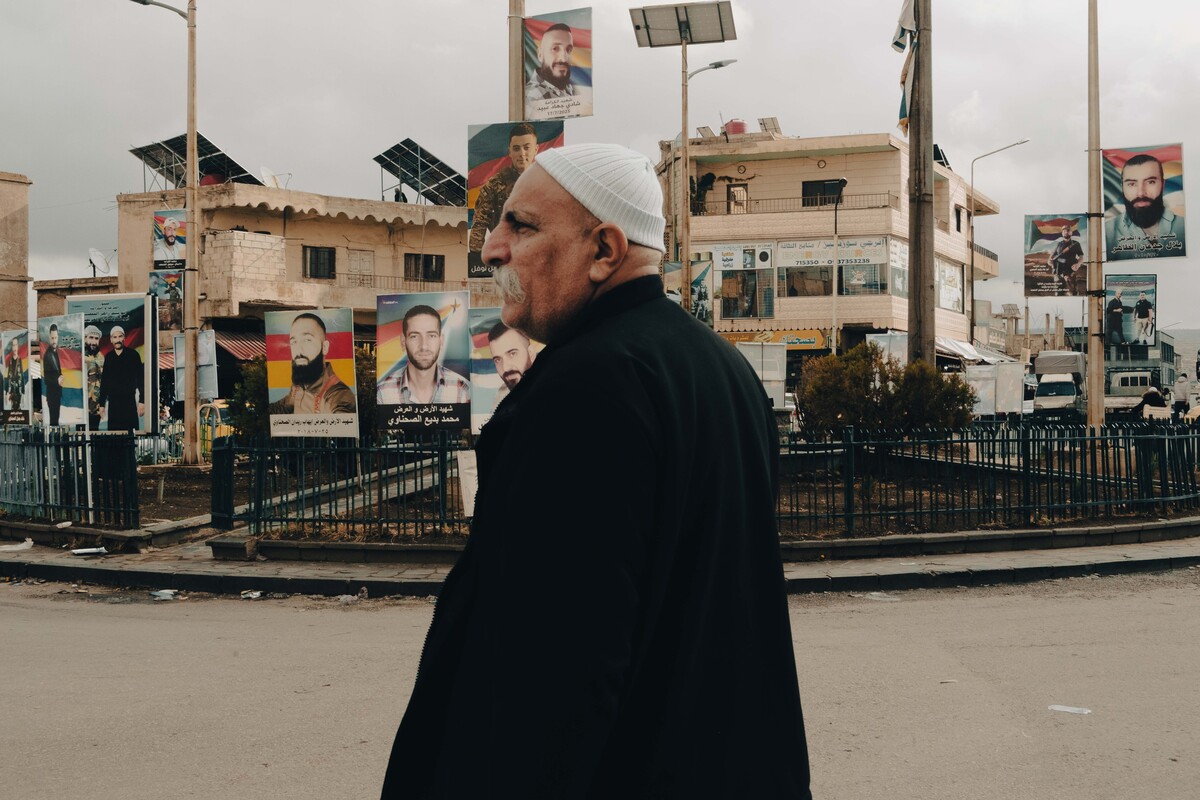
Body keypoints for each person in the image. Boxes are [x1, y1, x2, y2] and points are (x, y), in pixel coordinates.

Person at [381, 144, 811, 798]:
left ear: (605, 250)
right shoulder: (721, 368)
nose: (493, 249)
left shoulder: (588, 386)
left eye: (520, 227)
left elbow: (553, 679)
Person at [469, 123, 541, 254]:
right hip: (506, 254)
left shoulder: (547, 184)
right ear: (510, 152)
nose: (522, 153)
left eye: (526, 148)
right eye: (516, 148)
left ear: (536, 149)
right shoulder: (494, 186)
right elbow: (478, 227)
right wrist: (478, 265)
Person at [377, 305, 470, 405]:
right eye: (414, 336)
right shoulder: (382, 393)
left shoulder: (463, 389)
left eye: (431, 336)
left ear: (441, 341)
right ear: (403, 342)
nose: (424, 346)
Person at [268, 313, 356, 415]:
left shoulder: (338, 395)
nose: (299, 351)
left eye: (307, 340)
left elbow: (343, 422)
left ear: (325, 347)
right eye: (294, 342)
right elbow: (283, 406)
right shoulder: (300, 384)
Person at [1105, 153, 1187, 260]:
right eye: (1131, 184)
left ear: (1163, 185)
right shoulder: (1105, 234)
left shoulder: (1187, 228)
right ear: (1123, 188)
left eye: (1150, 182)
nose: (1141, 193)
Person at [524, 22, 591, 119]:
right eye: (555, 48)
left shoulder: (567, 88)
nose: (563, 58)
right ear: (540, 55)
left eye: (568, 50)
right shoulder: (532, 97)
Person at [97, 325, 144, 432]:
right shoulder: (109, 357)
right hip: (114, 405)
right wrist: (102, 404)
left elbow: (141, 379)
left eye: (120, 336)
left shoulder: (133, 355)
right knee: (115, 438)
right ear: (111, 340)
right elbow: (105, 381)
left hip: (129, 404)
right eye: (115, 337)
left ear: (124, 338)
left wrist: (142, 401)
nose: (118, 340)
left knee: (130, 437)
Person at [485, 321, 535, 410]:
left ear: (531, 354)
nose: (505, 368)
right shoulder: (501, 398)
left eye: (512, 354)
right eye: (498, 360)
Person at [1048, 224, 1084, 291]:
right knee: (1058, 294)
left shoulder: (1076, 244)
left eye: (1068, 230)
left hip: (1070, 273)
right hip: (1058, 273)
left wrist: (1078, 264)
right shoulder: (1058, 244)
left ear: (1071, 232)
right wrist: (1050, 261)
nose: (1066, 232)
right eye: (1064, 231)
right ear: (1062, 233)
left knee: (1073, 293)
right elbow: (1051, 256)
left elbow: (1081, 256)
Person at [83, 325, 105, 430]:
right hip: (81, 405)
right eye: (91, 337)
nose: (94, 341)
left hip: (96, 406)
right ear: (84, 338)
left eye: (96, 339)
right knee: (80, 437)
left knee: (94, 434)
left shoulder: (101, 358)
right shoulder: (79, 356)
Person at [41, 324, 63, 426]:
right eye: (52, 338)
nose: (54, 340)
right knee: (54, 423)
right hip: (52, 395)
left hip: (56, 394)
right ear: (49, 338)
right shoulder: (48, 355)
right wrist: (57, 380)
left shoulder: (55, 352)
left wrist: (61, 376)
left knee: (56, 422)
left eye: (55, 337)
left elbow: (57, 371)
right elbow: (46, 379)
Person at [5, 335, 23, 412]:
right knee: (12, 410)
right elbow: (8, 377)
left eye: (16, 345)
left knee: (19, 409)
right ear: (12, 347)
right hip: (12, 390)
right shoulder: (10, 361)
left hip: (19, 391)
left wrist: (23, 392)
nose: (15, 347)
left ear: (18, 346)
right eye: (13, 345)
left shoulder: (20, 360)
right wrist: (7, 392)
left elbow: (22, 377)